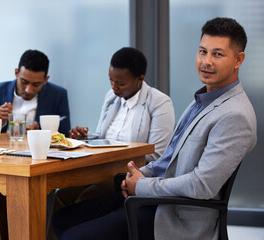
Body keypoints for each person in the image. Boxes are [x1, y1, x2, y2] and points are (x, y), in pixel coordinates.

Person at [52, 17, 257, 240]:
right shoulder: (202, 100)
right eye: (202, 51)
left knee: (73, 236)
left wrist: (142, 185)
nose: (206, 61)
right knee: (62, 219)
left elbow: (202, 185)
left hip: (173, 215)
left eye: (217, 54)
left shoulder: (234, 115)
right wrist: (139, 176)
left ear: (238, 60)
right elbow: (169, 159)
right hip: (153, 199)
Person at [47, 47, 175, 240]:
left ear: (140, 79)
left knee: (84, 199)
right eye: (111, 80)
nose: (114, 87)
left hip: (126, 176)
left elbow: (158, 155)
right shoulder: (111, 97)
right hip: (101, 169)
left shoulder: (159, 103)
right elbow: (103, 137)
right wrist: (85, 137)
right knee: (61, 195)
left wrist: (118, 159)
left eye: (121, 83)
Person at [0, 49, 71, 135]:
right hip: (0, 150)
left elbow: (64, 133)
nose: (28, 90)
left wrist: (39, 132)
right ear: (16, 73)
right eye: (24, 82)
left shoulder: (58, 95)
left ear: (46, 80)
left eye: (36, 84)